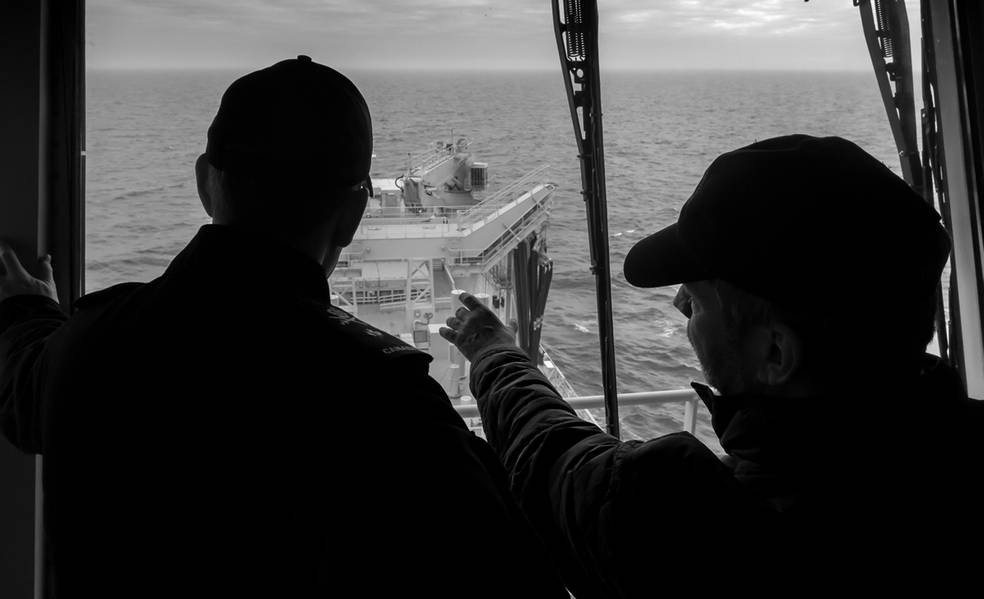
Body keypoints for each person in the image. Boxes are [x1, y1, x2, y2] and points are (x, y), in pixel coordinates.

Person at [0, 56, 566, 598]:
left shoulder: (87, 345)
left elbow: (25, 389)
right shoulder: (385, 401)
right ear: (352, 214)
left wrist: (28, 308)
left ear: (205, 183)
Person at [441, 134, 984, 595]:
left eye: (698, 300)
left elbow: (551, 458)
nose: (680, 305)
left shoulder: (687, 526)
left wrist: (494, 354)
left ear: (776, 353)